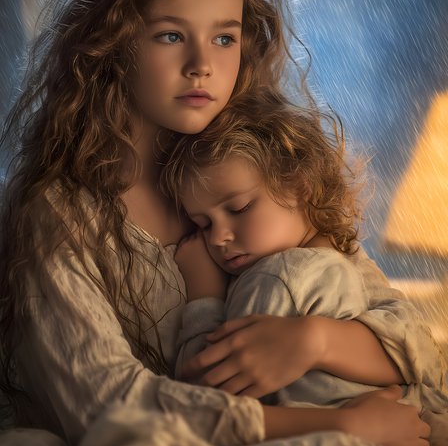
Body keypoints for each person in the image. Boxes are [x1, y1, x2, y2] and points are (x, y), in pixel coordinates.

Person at [0, 0, 432, 446]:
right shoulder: (60, 214)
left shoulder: (253, 171)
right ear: (112, 45)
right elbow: (106, 405)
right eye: (170, 35)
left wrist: (315, 341)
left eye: (224, 37)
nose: (201, 64)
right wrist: (339, 426)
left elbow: (413, 342)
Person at [160, 90, 448, 424]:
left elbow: (206, 395)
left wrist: (204, 298)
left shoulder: (293, 272)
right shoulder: (306, 261)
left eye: (239, 208)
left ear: (299, 186)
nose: (217, 237)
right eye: (203, 224)